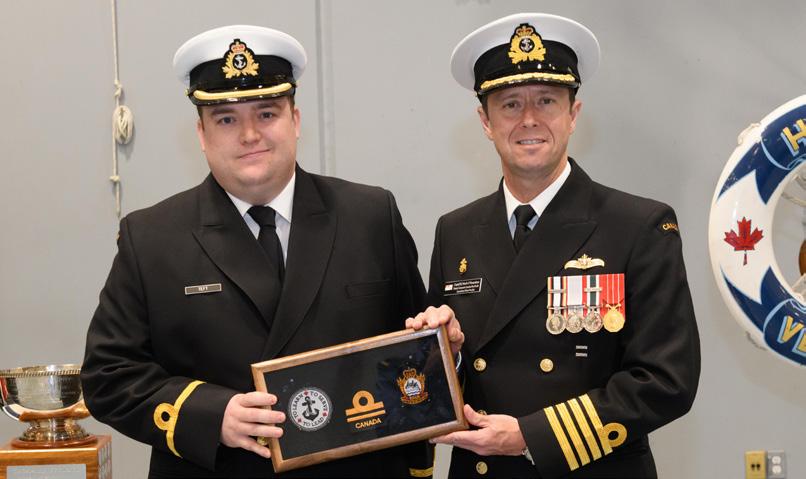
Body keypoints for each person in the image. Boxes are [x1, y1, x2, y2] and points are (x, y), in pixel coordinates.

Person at [81, 25, 437, 478]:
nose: (250, 134)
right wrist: (210, 415)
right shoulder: (151, 237)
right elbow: (108, 376)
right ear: (201, 133)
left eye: (267, 113)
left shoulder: (369, 216)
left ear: (296, 120)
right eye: (226, 119)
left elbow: (416, 353)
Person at [408, 12, 700, 478]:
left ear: (573, 115)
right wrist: (451, 352)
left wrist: (531, 436)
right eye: (509, 104)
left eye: (546, 100)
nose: (529, 119)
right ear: (485, 121)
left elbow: (667, 381)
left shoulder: (637, 226)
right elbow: (436, 390)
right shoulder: (456, 231)